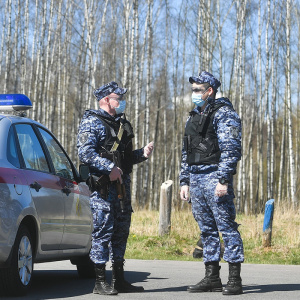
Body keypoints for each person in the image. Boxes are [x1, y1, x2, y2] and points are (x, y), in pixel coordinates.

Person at [77, 81, 154, 295]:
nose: (121, 102)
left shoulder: (119, 124)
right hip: (103, 190)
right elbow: (85, 153)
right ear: (105, 100)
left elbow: (124, 159)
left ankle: (119, 279)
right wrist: (109, 167)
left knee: (121, 234)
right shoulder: (92, 122)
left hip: (122, 191)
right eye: (117, 98)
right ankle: (100, 281)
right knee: (102, 234)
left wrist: (142, 154)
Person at [179, 71, 244, 295]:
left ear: (210, 91)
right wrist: (184, 180)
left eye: (198, 90)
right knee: (206, 230)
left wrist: (223, 179)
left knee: (227, 227)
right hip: (196, 179)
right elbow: (186, 151)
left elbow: (231, 149)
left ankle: (234, 279)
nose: (194, 94)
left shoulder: (224, 114)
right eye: (193, 90)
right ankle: (211, 277)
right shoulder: (193, 116)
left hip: (215, 176)